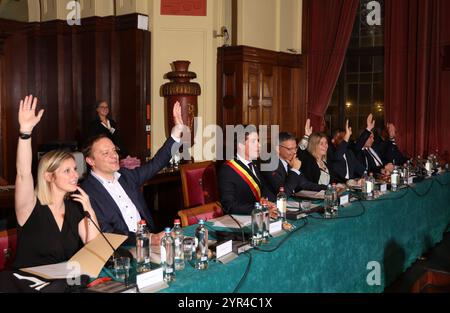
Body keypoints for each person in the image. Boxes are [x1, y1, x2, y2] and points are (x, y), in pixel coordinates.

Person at [13, 95, 100, 269]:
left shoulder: (74, 208)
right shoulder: (30, 207)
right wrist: (25, 132)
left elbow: (95, 250)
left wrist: (89, 209)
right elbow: (23, 173)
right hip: (30, 285)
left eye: (75, 169)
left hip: (65, 283)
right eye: (67, 171)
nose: (75, 175)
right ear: (48, 176)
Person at [81, 102, 183, 245]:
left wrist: (177, 131)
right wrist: (148, 239)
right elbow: (107, 233)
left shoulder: (127, 176)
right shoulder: (87, 192)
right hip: (123, 251)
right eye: (106, 153)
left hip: (151, 243)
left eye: (114, 150)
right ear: (91, 161)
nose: (114, 155)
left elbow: (157, 163)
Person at [219, 125, 278, 217]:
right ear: (240, 145)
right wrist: (260, 210)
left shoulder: (255, 163)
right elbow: (229, 206)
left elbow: (260, 192)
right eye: (254, 141)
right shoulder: (228, 170)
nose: (259, 145)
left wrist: (264, 201)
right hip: (240, 221)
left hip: (258, 217)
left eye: (258, 140)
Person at [261, 132, 326, 202]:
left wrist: (328, 188)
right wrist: (294, 169)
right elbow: (283, 194)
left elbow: (304, 183)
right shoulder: (269, 165)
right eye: (290, 149)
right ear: (277, 149)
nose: (294, 152)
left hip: (290, 203)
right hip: (273, 206)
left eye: (295, 148)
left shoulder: (290, 161)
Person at [297, 119, 336, 186]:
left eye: (326, 143)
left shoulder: (327, 161)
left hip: (327, 194)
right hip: (312, 195)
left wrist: (349, 182)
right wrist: (306, 136)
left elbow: (335, 178)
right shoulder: (308, 160)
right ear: (314, 145)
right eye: (321, 144)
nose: (325, 146)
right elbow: (300, 152)